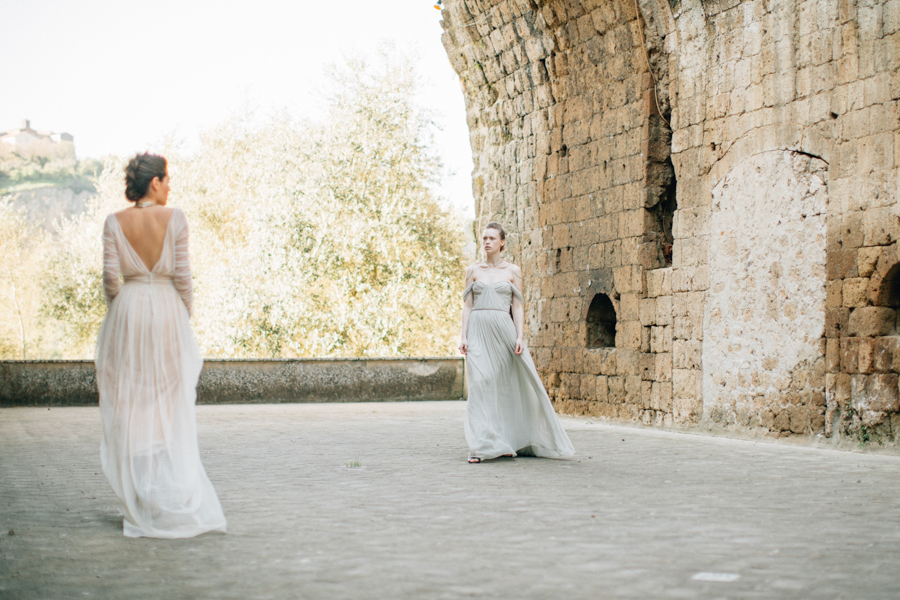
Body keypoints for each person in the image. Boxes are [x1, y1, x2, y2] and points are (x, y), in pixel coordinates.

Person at [95, 153, 226, 538]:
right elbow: (183, 276)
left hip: (129, 308)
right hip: (167, 308)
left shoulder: (113, 222)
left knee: (130, 397)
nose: (170, 186)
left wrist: (120, 312)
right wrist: (182, 315)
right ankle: (169, 488)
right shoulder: (176, 218)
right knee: (169, 398)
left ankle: (141, 492)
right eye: (167, 179)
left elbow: (109, 278)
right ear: (154, 182)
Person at [459, 222, 575, 463]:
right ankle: (480, 446)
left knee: (504, 384)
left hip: (504, 330)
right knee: (480, 383)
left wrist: (520, 336)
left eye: (492, 238)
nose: (487, 242)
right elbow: (468, 305)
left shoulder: (513, 270)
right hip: (478, 329)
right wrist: (463, 336)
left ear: (502, 242)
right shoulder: (473, 270)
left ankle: (504, 440)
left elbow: (518, 306)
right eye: (484, 238)